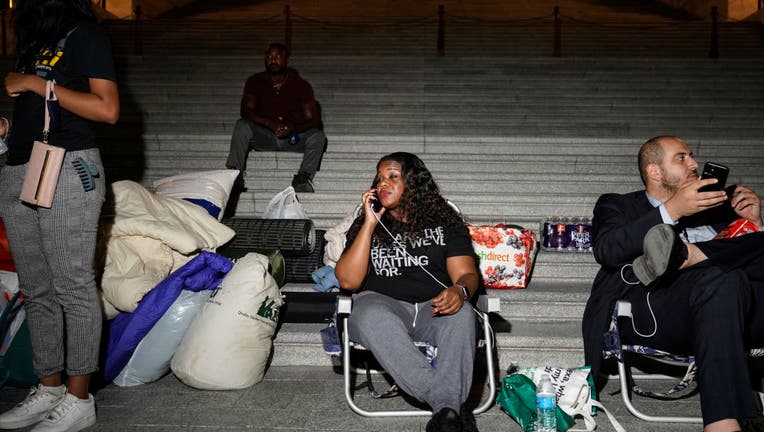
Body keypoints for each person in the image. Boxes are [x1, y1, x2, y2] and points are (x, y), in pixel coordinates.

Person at [583, 136, 764, 432]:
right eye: (682, 158)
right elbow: (607, 250)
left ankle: (690, 255)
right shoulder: (619, 205)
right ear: (655, 172)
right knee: (720, 278)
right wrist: (672, 210)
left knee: (728, 276)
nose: (694, 164)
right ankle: (723, 424)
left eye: (692, 156)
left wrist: (752, 226)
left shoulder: (721, 209)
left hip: (736, 308)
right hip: (662, 310)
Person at [0, 0, 119, 431]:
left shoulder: (85, 35)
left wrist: (35, 83)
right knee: (37, 288)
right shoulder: (37, 39)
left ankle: (78, 398)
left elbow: (107, 110)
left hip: (68, 168)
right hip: (21, 168)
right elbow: (43, 112)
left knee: (72, 286)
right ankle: (48, 388)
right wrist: (9, 129)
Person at [335, 152, 481, 432]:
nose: (382, 184)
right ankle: (448, 407)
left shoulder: (444, 221)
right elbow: (348, 282)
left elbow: (466, 274)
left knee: (462, 312)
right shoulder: (367, 223)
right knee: (368, 313)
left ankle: (446, 413)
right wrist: (368, 224)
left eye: (392, 176)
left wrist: (460, 291)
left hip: (434, 307)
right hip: (380, 305)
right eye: (379, 178)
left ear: (413, 183)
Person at [225, 42, 326, 193]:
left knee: (318, 136)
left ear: (286, 59)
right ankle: (235, 174)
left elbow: (314, 121)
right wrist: (268, 123)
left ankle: (303, 177)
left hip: (293, 138)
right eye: (269, 57)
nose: (273, 60)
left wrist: (293, 127)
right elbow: (246, 111)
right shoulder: (255, 81)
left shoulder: (301, 85)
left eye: (277, 56)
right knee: (242, 125)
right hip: (264, 135)